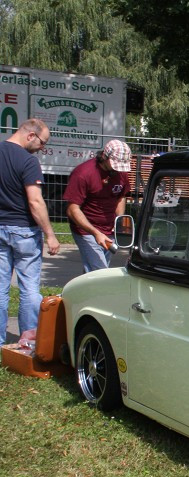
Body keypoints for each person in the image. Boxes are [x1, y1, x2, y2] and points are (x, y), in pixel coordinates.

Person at [0, 118, 61, 344]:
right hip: (23, 230)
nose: (42, 148)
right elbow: (35, 202)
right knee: (29, 289)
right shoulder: (28, 161)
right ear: (30, 135)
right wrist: (50, 234)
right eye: (43, 143)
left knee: (0, 289)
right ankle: (28, 341)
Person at [64, 139, 132, 272]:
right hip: (86, 231)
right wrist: (95, 233)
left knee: (92, 272)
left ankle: (83, 292)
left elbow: (120, 197)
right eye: (115, 164)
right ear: (105, 156)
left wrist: (119, 222)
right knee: (100, 272)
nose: (118, 169)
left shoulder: (120, 173)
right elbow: (72, 209)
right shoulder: (83, 173)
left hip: (109, 231)